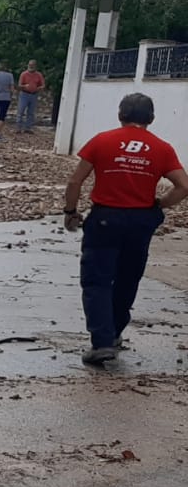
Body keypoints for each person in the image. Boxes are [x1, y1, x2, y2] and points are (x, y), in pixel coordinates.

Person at [63, 93, 188, 365]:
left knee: (97, 280)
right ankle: (115, 333)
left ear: (120, 115)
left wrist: (71, 212)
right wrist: (160, 205)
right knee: (127, 278)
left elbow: (75, 182)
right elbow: (183, 186)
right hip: (140, 221)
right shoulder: (162, 148)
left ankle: (102, 342)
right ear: (151, 119)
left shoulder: (102, 141)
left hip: (105, 219)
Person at [16, 59, 45, 133]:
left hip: (34, 94)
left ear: (35, 66)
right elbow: (19, 85)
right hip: (24, 94)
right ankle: (18, 127)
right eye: (29, 65)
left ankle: (28, 128)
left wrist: (39, 88)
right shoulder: (24, 74)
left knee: (31, 112)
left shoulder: (39, 75)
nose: (31, 66)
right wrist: (24, 86)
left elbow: (43, 85)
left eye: (32, 65)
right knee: (21, 111)